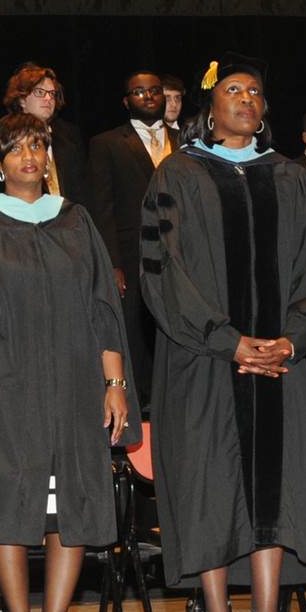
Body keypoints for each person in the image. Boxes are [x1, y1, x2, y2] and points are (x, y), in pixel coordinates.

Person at [141, 58, 306, 612]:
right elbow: (164, 270)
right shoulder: (177, 174)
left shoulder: (292, 177)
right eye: (234, 90)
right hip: (202, 361)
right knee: (210, 483)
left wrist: (292, 337)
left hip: (279, 360)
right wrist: (227, 340)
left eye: (256, 90)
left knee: (273, 483)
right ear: (210, 104)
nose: (248, 98)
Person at [0, 114, 130, 612]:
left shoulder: (75, 221)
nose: (29, 155)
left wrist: (115, 384)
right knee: (12, 507)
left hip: (75, 387)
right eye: (16, 148)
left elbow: (104, 309)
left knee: (69, 506)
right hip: (8, 385)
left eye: (37, 145)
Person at [88, 70, 176, 404]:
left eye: (155, 90)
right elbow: (102, 206)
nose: (149, 96)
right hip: (131, 252)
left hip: (180, 254)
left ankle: (172, 396)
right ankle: (139, 402)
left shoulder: (185, 140)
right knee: (136, 330)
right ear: (127, 101)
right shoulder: (107, 143)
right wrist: (111, 263)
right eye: (139, 92)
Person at [0, 63, 89, 198]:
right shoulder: (3, 135)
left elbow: (83, 188)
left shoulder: (70, 136)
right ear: (22, 99)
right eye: (40, 92)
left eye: (52, 94)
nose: (48, 98)